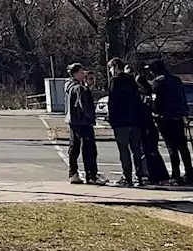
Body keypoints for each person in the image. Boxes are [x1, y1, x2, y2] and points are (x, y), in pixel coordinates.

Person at [151, 60, 193, 184]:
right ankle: (189, 172)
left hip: (165, 118)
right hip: (179, 117)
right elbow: (183, 97)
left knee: (171, 147)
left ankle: (175, 174)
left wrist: (154, 114)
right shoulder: (176, 80)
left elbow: (155, 101)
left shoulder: (157, 83)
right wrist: (185, 114)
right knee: (183, 147)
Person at [106, 58, 147, 186]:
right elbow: (137, 100)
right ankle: (140, 176)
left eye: (111, 68)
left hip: (120, 121)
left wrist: (112, 119)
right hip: (134, 120)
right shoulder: (131, 80)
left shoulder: (115, 81)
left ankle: (127, 176)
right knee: (136, 150)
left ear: (116, 66)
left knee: (124, 150)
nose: (110, 71)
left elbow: (112, 101)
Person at [64, 63, 101, 185]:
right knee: (89, 149)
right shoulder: (79, 89)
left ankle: (73, 173)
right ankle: (91, 175)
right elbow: (84, 105)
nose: (83, 74)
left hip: (73, 121)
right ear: (75, 74)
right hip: (83, 122)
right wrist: (90, 118)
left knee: (74, 147)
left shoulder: (69, 86)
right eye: (81, 72)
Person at [135, 64, 170, 183]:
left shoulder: (143, 96)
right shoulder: (151, 93)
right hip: (150, 125)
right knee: (153, 151)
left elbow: (144, 110)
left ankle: (154, 175)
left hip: (146, 126)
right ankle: (160, 175)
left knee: (148, 151)